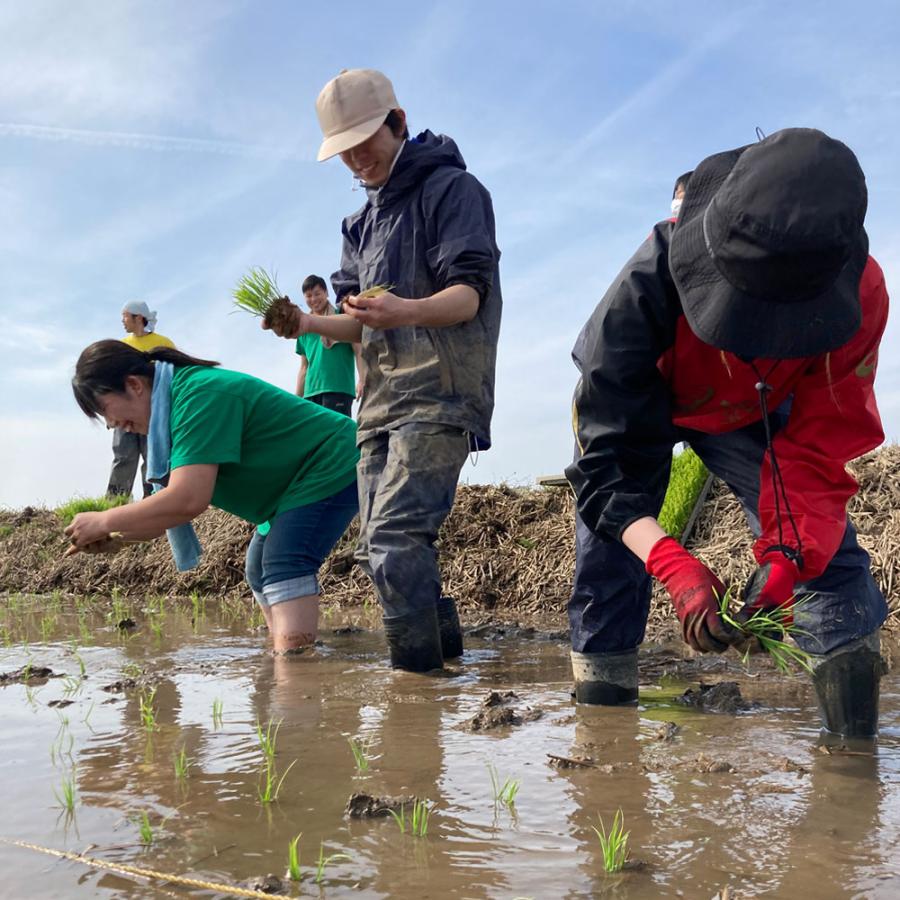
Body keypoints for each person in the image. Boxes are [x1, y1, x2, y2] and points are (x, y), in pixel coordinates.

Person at [566, 128, 889, 740]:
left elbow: (819, 445)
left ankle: (851, 758)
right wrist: (671, 562)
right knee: (606, 558)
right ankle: (603, 746)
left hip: (753, 415)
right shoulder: (640, 292)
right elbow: (608, 467)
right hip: (650, 402)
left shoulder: (859, 299)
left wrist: (788, 557)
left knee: (832, 562)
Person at [263, 68, 502, 672]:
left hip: (441, 391)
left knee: (395, 537)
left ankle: (414, 691)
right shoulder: (359, 226)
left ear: (398, 122)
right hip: (379, 404)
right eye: (343, 151)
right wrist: (308, 324)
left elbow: (469, 296)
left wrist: (405, 311)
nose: (356, 161)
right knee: (380, 546)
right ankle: (447, 664)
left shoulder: (453, 191)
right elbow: (358, 324)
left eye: (365, 143)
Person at [66, 340, 359, 653]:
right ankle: (286, 652)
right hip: (291, 488)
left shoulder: (198, 396)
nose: (111, 423)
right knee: (258, 566)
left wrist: (105, 519)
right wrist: (116, 536)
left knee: (284, 560)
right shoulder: (171, 414)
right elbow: (162, 518)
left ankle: (296, 676)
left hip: (331, 460)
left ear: (134, 385)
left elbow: (188, 499)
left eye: (104, 409)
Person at [107, 301, 176, 498]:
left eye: (125, 316)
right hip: (124, 411)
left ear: (138, 318)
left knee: (152, 456)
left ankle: (152, 500)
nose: (122, 320)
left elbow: (173, 376)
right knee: (123, 456)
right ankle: (115, 502)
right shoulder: (121, 346)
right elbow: (112, 381)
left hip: (154, 411)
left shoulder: (164, 343)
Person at [295, 274, 361, 417]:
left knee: (337, 436)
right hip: (310, 393)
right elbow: (304, 368)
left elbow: (358, 349)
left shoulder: (341, 317)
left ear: (326, 293)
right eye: (308, 296)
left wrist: (363, 378)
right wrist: (295, 400)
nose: (313, 299)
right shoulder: (303, 327)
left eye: (317, 294)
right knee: (314, 438)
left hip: (338, 388)